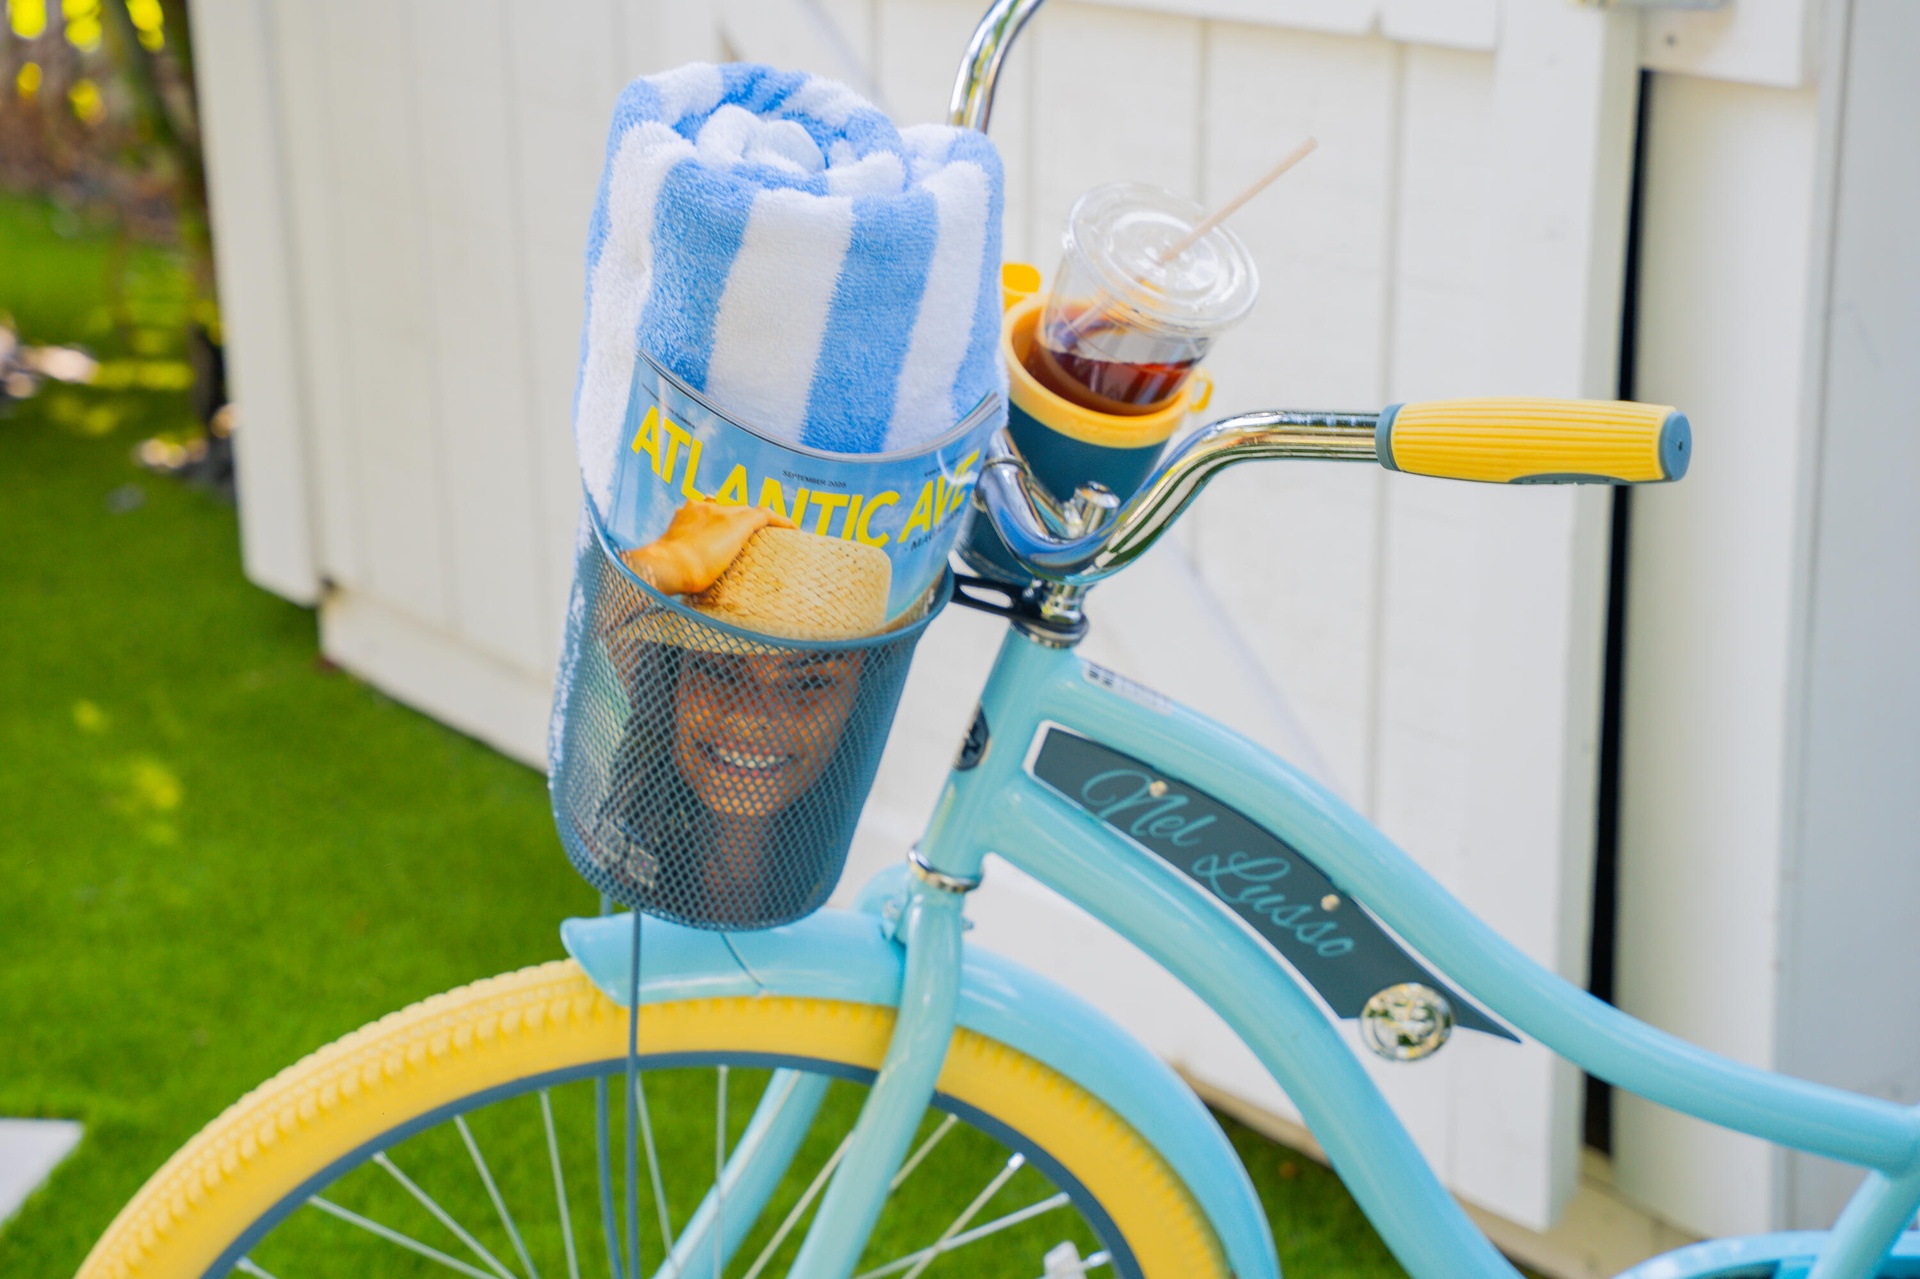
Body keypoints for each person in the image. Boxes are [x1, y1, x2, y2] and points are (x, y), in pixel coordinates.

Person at [580, 501, 887, 928]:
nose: (750, 716)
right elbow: (582, 618)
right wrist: (671, 560)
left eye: (807, 682)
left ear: (858, 702)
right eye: (718, 669)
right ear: (674, 681)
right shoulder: (659, 704)